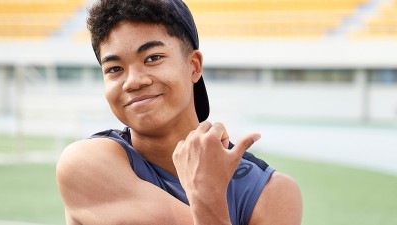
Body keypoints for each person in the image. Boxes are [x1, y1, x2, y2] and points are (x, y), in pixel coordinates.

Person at [56, 0, 303, 224]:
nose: (133, 81)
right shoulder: (85, 164)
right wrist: (206, 195)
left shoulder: (271, 192)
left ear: (193, 66)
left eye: (152, 58)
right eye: (114, 69)